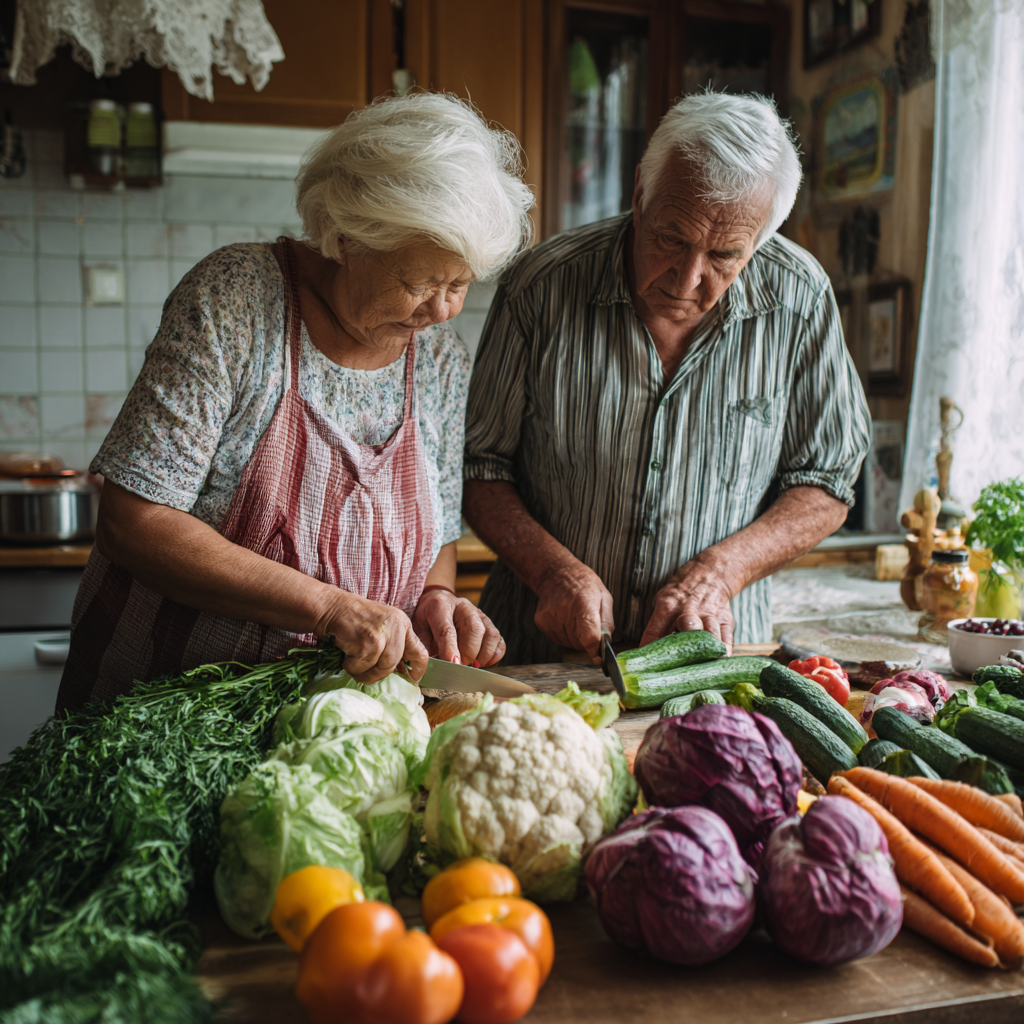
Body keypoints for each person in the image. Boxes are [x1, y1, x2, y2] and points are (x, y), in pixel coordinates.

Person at [58, 93, 534, 712]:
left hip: (328, 728)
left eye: (460, 285)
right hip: (162, 718)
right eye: (420, 283)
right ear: (344, 238)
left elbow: (439, 536)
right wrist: (328, 607)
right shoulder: (236, 300)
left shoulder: (439, 357)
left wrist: (434, 600)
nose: (442, 310)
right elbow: (134, 521)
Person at [463, 92, 871, 665]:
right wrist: (552, 570)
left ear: (763, 237)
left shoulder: (799, 300)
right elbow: (479, 466)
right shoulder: (542, 286)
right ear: (639, 193)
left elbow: (826, 481)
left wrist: (718, 573)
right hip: (540, 651)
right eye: (671, 238)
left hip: (708, 655)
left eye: (726, 254)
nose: (687, 279)